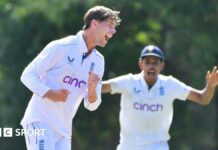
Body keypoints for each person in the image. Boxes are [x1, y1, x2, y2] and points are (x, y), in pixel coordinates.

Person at [20, 6, 121, 150]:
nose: (114, 31)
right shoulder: (61, 46)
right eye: (110, 25)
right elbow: (27, 75)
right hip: (39, 121)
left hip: (64, 131)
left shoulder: (98, 61)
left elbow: (92, 105)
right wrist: (49, 93)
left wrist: (92, 90)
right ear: (94, 23)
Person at [102, 45, 218, 150]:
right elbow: (102, 87)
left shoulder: (170, 84)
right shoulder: (129, 82)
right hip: (128, 147)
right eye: (147, 62)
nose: (151, 66)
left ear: (162, 65)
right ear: (140, 64)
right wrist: (88, 82)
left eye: (155, 62)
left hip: (157, 147)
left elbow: (202, 98)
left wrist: (210, 86)